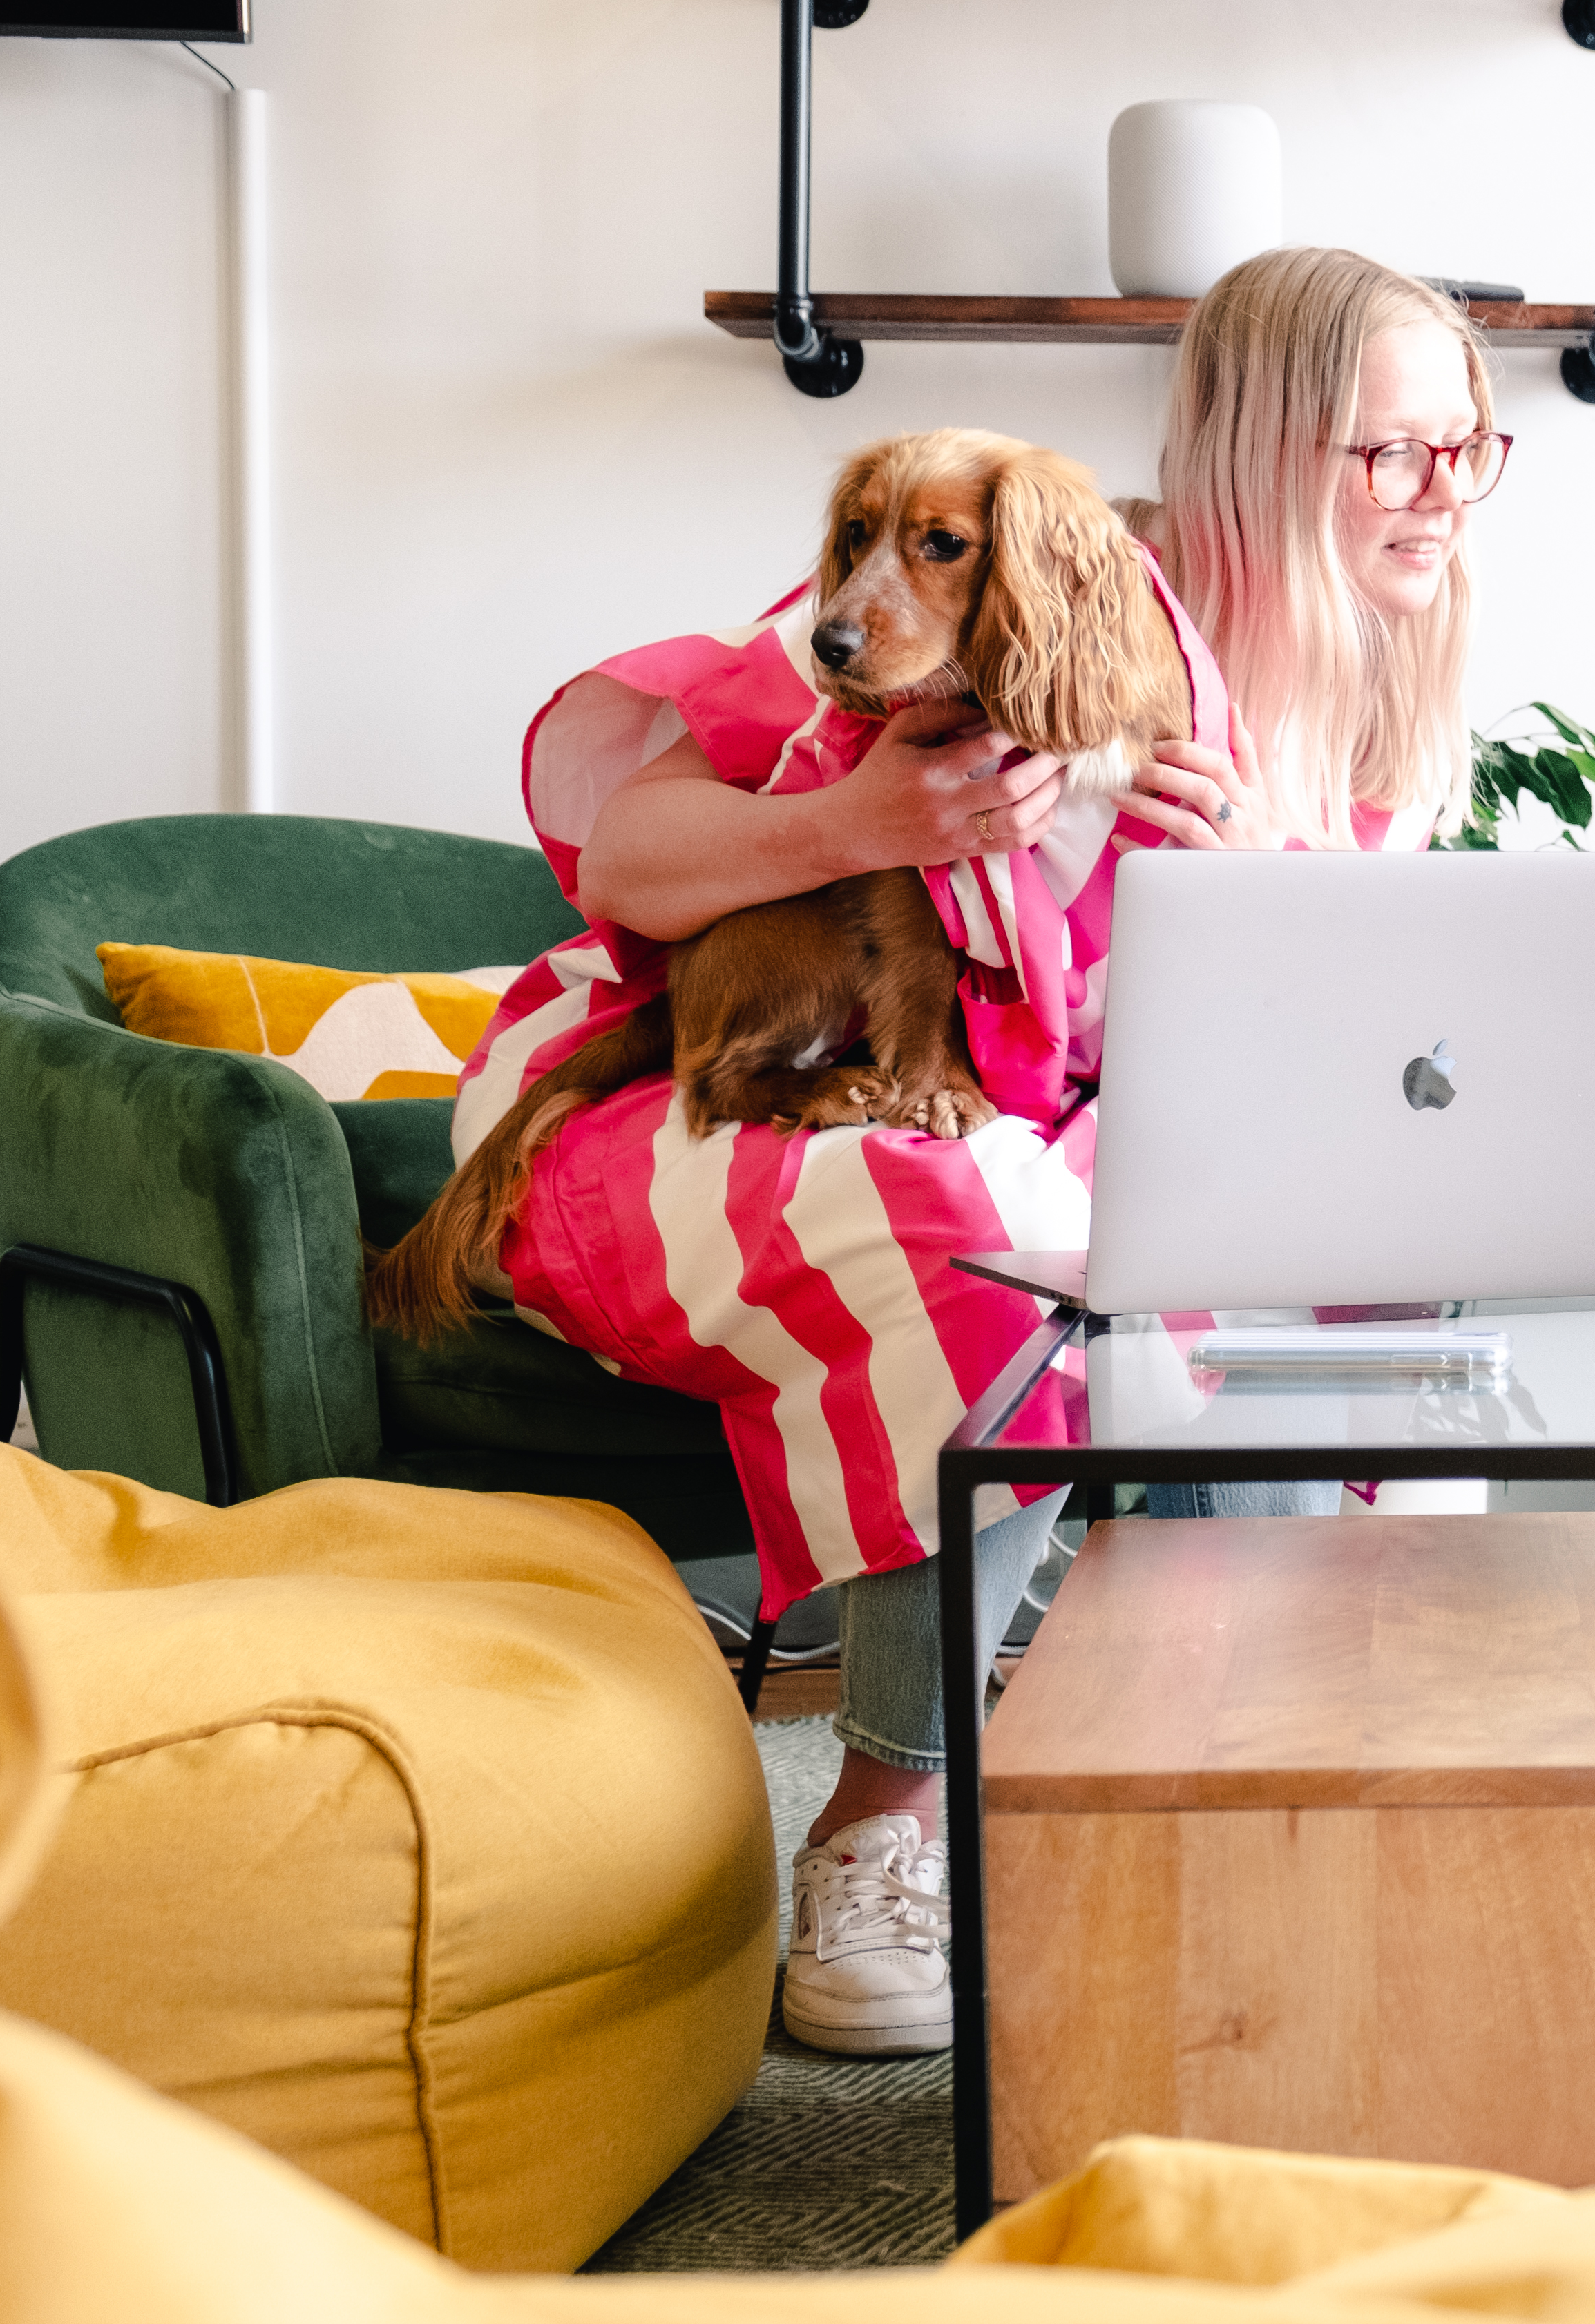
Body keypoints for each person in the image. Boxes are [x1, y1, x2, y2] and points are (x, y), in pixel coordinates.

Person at [449, 247, 1501, 2055]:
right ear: (1260, 447)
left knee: (1304, 1293)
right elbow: (628, 858)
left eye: (1464, 450)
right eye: (1385, 452)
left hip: (1037, 1139)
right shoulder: (1007, 565)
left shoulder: (1378, 736)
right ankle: (888, 1825)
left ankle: (1236, 1817)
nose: (1437, 499)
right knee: (995, 1230)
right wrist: (878, 811)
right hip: (725, 1077)